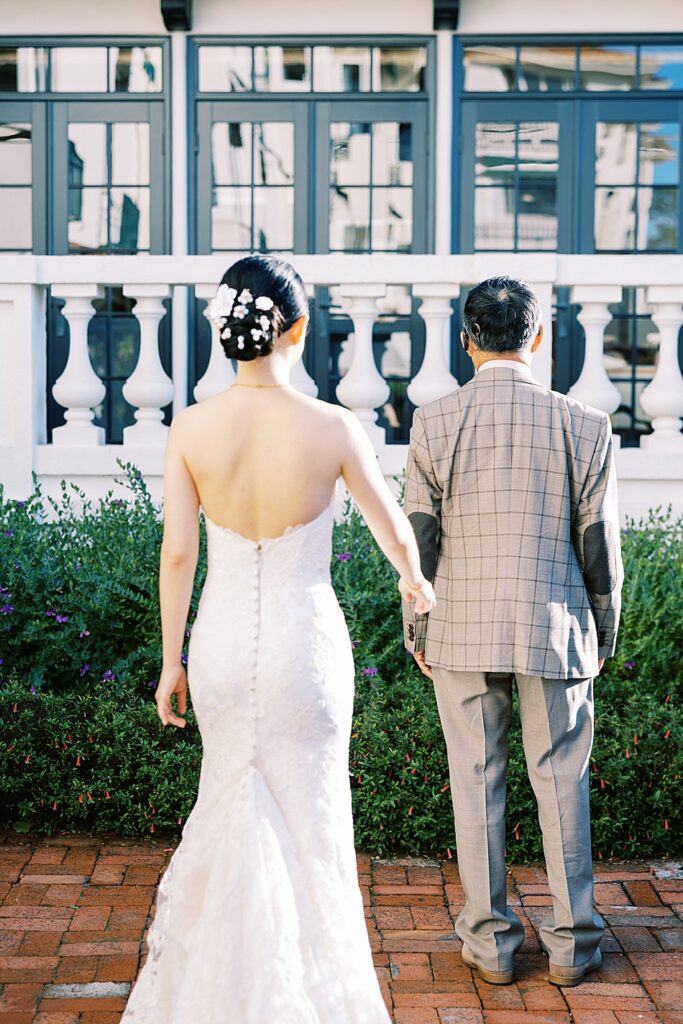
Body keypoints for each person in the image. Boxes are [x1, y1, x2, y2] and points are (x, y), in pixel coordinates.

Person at [120, 254, 435, 1024]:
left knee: (227, 802)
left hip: (222, 645)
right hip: (306, 651)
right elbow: (392, 529)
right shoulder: (331, 426)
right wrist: (414, 582)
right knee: (311, 822)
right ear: (296, 327)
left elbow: (177, 554)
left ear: (226, 333)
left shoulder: (191, 428)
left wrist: (171, 662)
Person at [402, 276, 623, 989]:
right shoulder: (584, 423)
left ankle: (492, 944)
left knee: (475, 782)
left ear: (465, 342)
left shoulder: (432, 422)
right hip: (556, 627)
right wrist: (603, 631)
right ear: (537, 336)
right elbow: (599, 548)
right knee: (562, 784)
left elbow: (418, 540)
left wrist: (417, 630)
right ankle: (571, 946)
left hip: (460, 626)